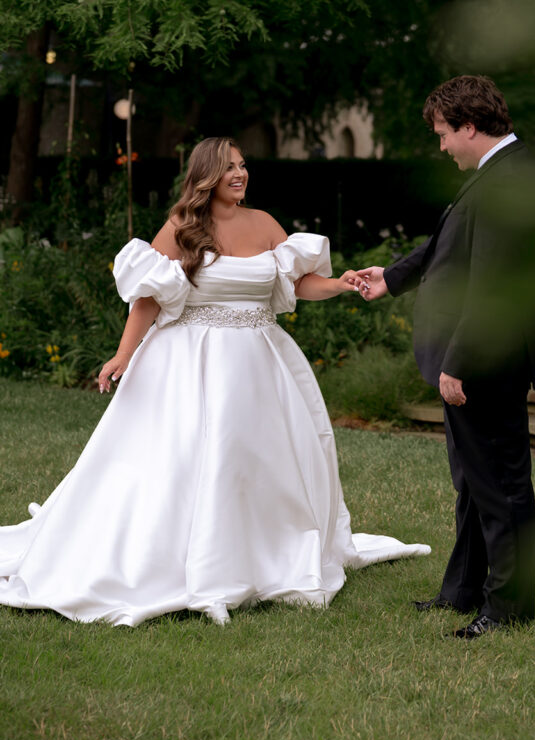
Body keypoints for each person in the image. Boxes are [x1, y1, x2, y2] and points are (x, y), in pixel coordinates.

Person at [0, 137, 429, 626]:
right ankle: (177, 559)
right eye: (229, 168)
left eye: (244, 166)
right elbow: (148, 299)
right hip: (187, 360)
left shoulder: (264, 223)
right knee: (182, 459)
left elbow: (295, 283)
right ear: (207, 174)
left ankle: (260, 551)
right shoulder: (182, 226)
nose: (240, 175)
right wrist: (123, 354)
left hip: (258, 364)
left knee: (254, 458)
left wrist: (341, 283)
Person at [358, 76, 535, 640]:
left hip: (487, 355)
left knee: (500, 484)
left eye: (443, 134)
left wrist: (458, 359)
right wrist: (390, 279)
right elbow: (448, 246)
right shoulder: (495, 175)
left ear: (469, 126)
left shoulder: (508, 181)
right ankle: (463, 590)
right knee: (472, 479)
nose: (442, 146)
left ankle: (509, 609)